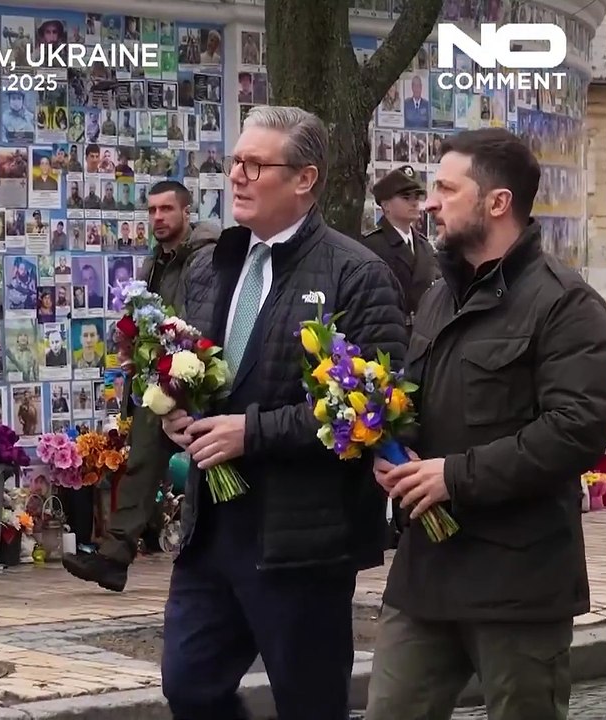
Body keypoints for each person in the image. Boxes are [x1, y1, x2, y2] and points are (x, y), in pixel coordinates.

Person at [157, 106, 405, 720]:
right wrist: (176, 409)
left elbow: (367, 409)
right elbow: (193, 362)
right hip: (212, 527)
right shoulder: (209, 264)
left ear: (304, 179)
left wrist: (253, 433)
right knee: (188, 686)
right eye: (234, 162)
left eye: (255, 165)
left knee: (310, 703)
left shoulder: (356, 273)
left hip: (302, 536)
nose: (237, 176)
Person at [364, 129, 606, 720]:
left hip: (518, 579)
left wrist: (455, 476)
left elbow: (576, 429)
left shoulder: (565, 303)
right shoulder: (437, 297)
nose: (430, 202)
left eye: (447, 189)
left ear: (496, 203)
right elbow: (420, 403)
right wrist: (389, 446)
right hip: (426, 571)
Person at [62, 180, 219, 592]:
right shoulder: (155, 261)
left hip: (202, 374)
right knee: (142, 461)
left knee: (216, 463)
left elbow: (204, 314)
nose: (158, 218)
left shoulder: (205, 257)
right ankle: (113, 559)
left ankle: (221, 553)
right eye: (152, 210)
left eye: (166, 209)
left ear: (187, 212)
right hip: (161, 376)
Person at [359, 165, 442, 548]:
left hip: (422, 346)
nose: (414, 204)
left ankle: (412, 513)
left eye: (416, 197)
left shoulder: (424, 246)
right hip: (387, 346)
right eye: (405, 198)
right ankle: (384, 521)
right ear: (385, 204)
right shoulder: (373, 247)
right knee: (383, 431)